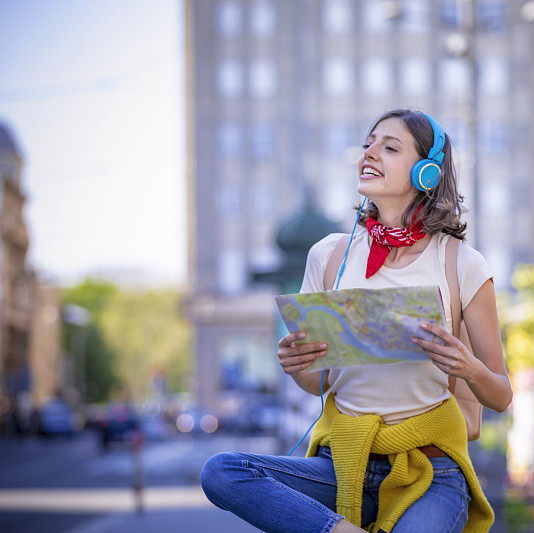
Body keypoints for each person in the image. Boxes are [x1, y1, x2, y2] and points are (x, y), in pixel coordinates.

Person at [200, 109, 513, 533]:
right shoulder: (329, 255)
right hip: (342, 463)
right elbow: (320, 382)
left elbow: (500, 396)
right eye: (368, 143)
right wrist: (298, 367)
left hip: (430, 472)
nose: (370, 153)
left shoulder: (462, 263)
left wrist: (466, 366)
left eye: (389, 147)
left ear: (426, 172)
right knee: (221, 472)